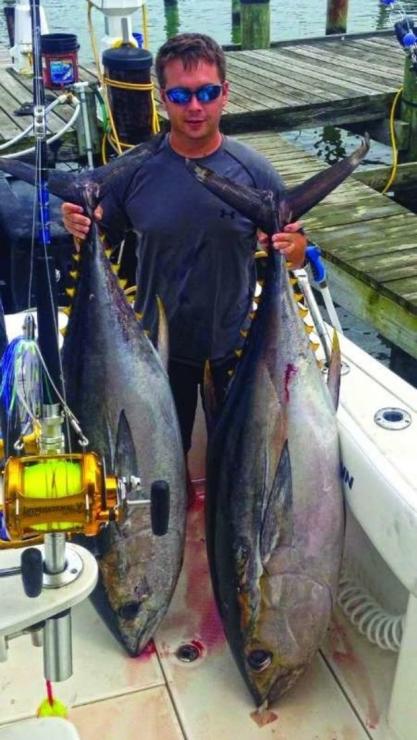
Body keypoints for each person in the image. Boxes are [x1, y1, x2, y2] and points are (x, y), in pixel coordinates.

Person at [61, 33, 307, 467]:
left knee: (240, 463)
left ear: (224, 94)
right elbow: (101, 230)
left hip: (237, 347)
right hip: (155, 352)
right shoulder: (137, 169)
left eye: (207, 93)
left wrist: (292, 247)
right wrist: (77, 222)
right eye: (181, 95)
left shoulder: (255, 171)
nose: (195, 107)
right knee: (160, 461)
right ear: (162, 98)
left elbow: (297, 250)